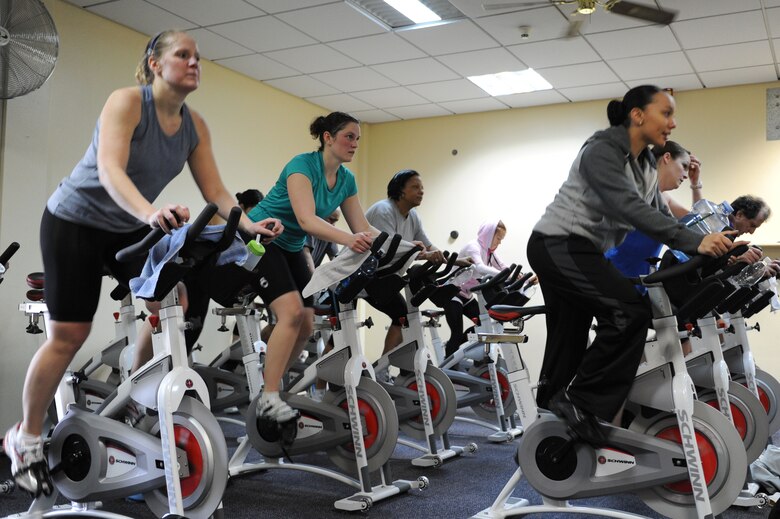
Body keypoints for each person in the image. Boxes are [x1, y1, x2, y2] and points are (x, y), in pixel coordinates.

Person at [3, 30, 281, 497]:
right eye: (183, 55)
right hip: (74, 220)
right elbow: (111, 170)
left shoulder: (194, 127)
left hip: (127, 222)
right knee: (69, 335)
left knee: (175, 295)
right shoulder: (128, 102)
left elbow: (216, 192)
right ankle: (25, 438)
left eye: (198, 57)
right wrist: (149, 212)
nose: (194, 63)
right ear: (154, 63)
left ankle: (133, 395)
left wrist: (249, 225)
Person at [526, 85, 739, 445]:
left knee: (571, 333)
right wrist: (694, 242)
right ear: (637, 115)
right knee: (628, 314)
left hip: (581, 249)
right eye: (666, 113)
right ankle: (580, 404)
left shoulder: (645, 166)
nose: (672, 123)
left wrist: (714, 246)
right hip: (558, 244)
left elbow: (659, 214)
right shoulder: (602, 150)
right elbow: (631, 209)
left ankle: (553, 414)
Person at [246, 111, 377, 426]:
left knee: (306, 324)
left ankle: (271, 386)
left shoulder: (346, 180)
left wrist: (404, 247)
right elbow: (306, 219)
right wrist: (350, 239)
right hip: (261, 238)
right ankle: (270, 395)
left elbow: (364, 227)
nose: (355, 144)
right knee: (290, 314)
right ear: (328, 138)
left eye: (358, 138)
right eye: (349, 136)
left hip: (291, 247)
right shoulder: (302, 166)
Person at [365, 169, 468, 356]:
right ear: (401, 190)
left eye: (422, 188)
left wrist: (457, 261)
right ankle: (323, 386)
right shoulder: (384, 210)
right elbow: (386, 248)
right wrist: (424, 254)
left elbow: (429, 247)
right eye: (415, 187)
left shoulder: (413, 216)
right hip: (361, 277)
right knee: (338, 335)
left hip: (383, 279)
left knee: (403, 318)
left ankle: (383, 370)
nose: (421, 191)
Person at [440, 220, 509, 358]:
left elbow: (503, 268)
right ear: (489, 235)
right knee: (457, 333)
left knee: (485, 325)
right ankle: (446, 369)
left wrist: (521, 278)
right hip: (452, 293)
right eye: (498, 238)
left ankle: (454, 347)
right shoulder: (473, 246)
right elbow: (480, 268)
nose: (499, 242)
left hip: (467, 295)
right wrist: (505, 274)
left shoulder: (490, 253)